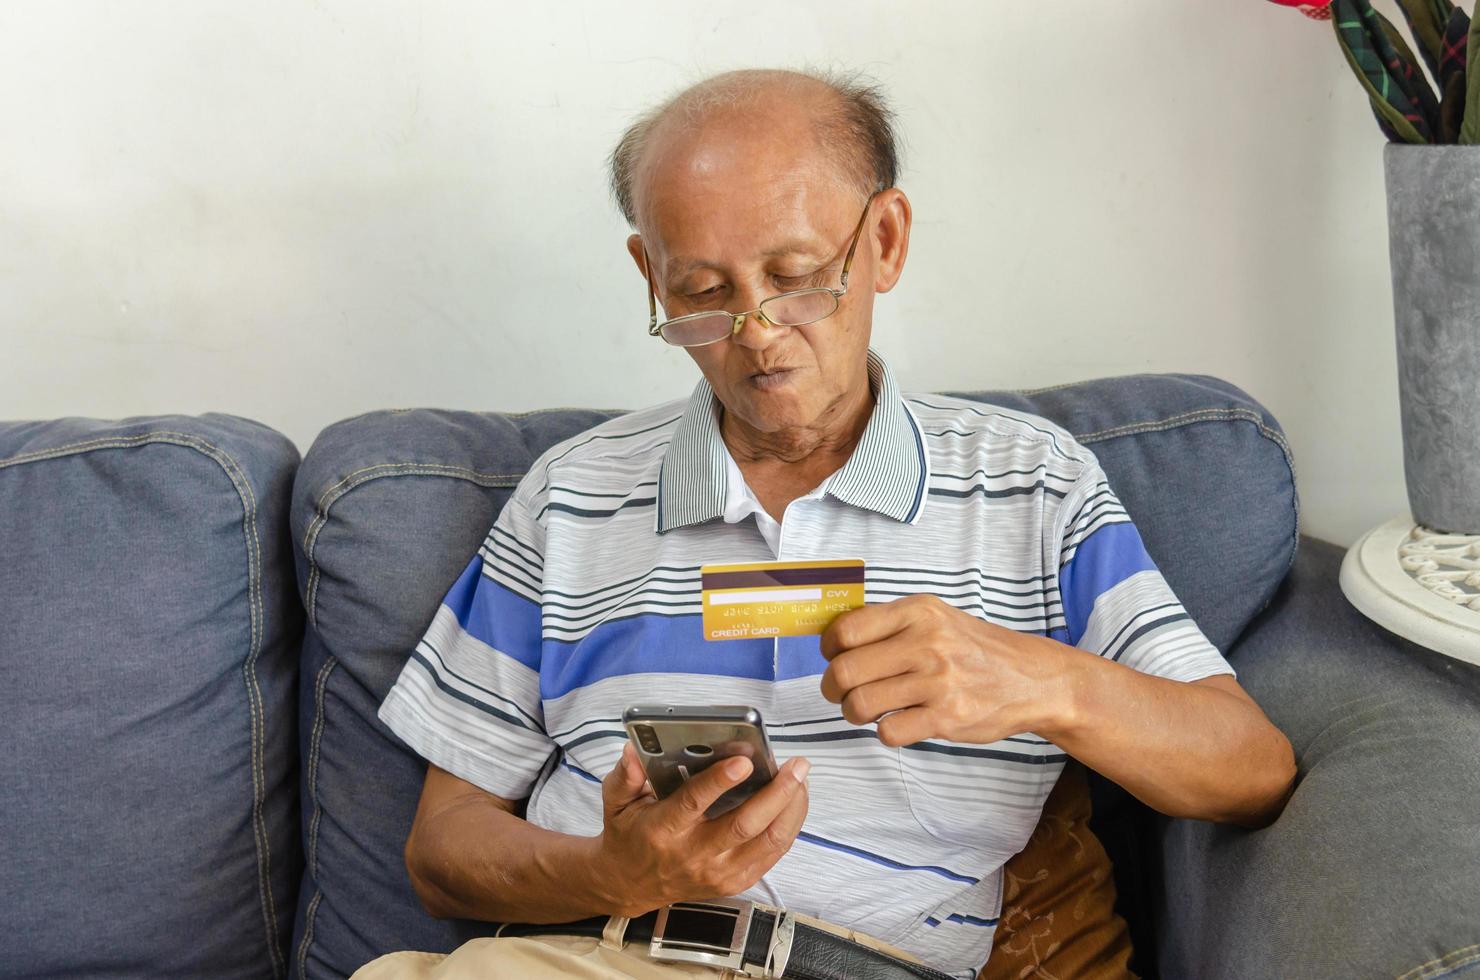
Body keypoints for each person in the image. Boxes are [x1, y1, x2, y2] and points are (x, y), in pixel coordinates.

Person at [358, 68, 1296, 980]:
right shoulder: (572, 495)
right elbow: (442, 850)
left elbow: (1249, 769)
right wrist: (610, 870)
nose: (758, 332)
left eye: (797, 276)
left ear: (885, 240)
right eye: (703, 293)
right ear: (650, 275)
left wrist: (1045, 682)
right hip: (585, 957)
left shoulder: (1032, 484)